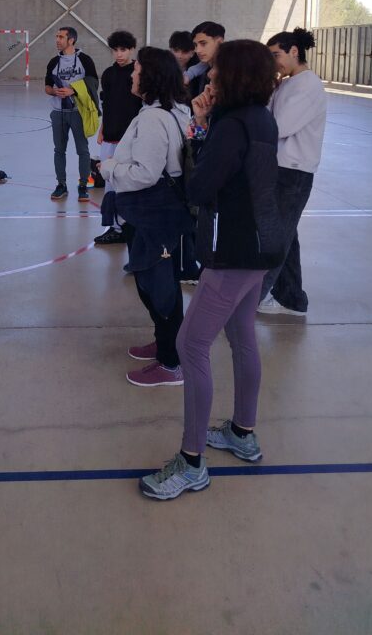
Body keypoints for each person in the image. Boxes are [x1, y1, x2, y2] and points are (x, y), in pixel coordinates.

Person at [139, 40, 282, 501]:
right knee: (241, 336)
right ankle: (242, 432)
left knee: (191, 344)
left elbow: (199, 187)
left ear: (234, 75)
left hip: (233, 253)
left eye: (217, 69)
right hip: (261, 247)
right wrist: (207, 123)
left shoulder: (232, 126)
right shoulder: (260, 117)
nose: (210, 76)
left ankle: (192, 461)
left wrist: (199, 129)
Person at [100, 47, 192, 387]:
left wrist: (109, 168)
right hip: (160, 214)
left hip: (154, 214)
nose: (133, 76)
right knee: (154, 281)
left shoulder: (154, 119)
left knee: (158, 286)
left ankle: (171, 363)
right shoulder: (171, 111)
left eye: (137, 71)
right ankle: (165, 342)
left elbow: (145, 173)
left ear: (150, 77)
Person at [257, 28, 326, 317]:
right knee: (286, 236)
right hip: (281, 169)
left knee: (277, 238)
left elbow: (279, 127)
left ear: (294, 51)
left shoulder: (308, 85)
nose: (274, 62)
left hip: (293, 173)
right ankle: (292, 298)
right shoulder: (288, 83)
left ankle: (254, 297)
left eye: (277, 55)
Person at [94, 30, 139, 245]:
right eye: (115, 50)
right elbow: (108, 105)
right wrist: (102, 130)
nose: (119, 54)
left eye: (123, 50)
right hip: (110, 136)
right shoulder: (109, 74)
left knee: (125, 183)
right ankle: (115, 226)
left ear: (131, 50)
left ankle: (128, 225)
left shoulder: (138, 73)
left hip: (130, 139)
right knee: (109, 183)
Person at [45, 26, 98, 202]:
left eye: (61, 37)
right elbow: (47, 87)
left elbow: (93, 83)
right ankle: (61, 184)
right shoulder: (53, 62)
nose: (57, 40)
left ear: (71, 40)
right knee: (59, 150)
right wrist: (54, 92)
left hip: (78, 112)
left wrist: (73, 91)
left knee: (82, 150)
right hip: (58, 113)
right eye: (57, 36)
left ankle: (83, 185)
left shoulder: (85, 60)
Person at [189, 20, 225, 97]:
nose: (197, 50)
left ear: (219, 42)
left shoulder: (230, 72)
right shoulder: (199, 67)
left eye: (203, 43)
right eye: (195, 45)